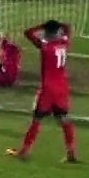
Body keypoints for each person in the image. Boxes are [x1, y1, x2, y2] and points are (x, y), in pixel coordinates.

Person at [7, 20, 78, 162]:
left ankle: (24, 151)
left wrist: (42, 26)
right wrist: (58, 26)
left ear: (47, 32)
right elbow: (68, 27)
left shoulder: (45, 47)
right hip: (62, 88)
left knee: (37, 119)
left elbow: (28, 33)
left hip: (48, 89)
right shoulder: (64, 43)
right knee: (64, 119)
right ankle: (71, 152)